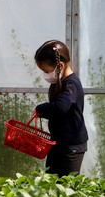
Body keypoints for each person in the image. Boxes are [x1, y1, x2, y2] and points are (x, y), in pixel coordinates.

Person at [34, 40, 88, 177]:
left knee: (67, 187)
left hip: (72, 147)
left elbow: (61, 107)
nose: (45, 75)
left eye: (46, 71)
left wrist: (41, 108)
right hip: (58, 142)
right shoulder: (58, 82)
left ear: (60, 65)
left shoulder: (71, 84)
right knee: (51, 182)